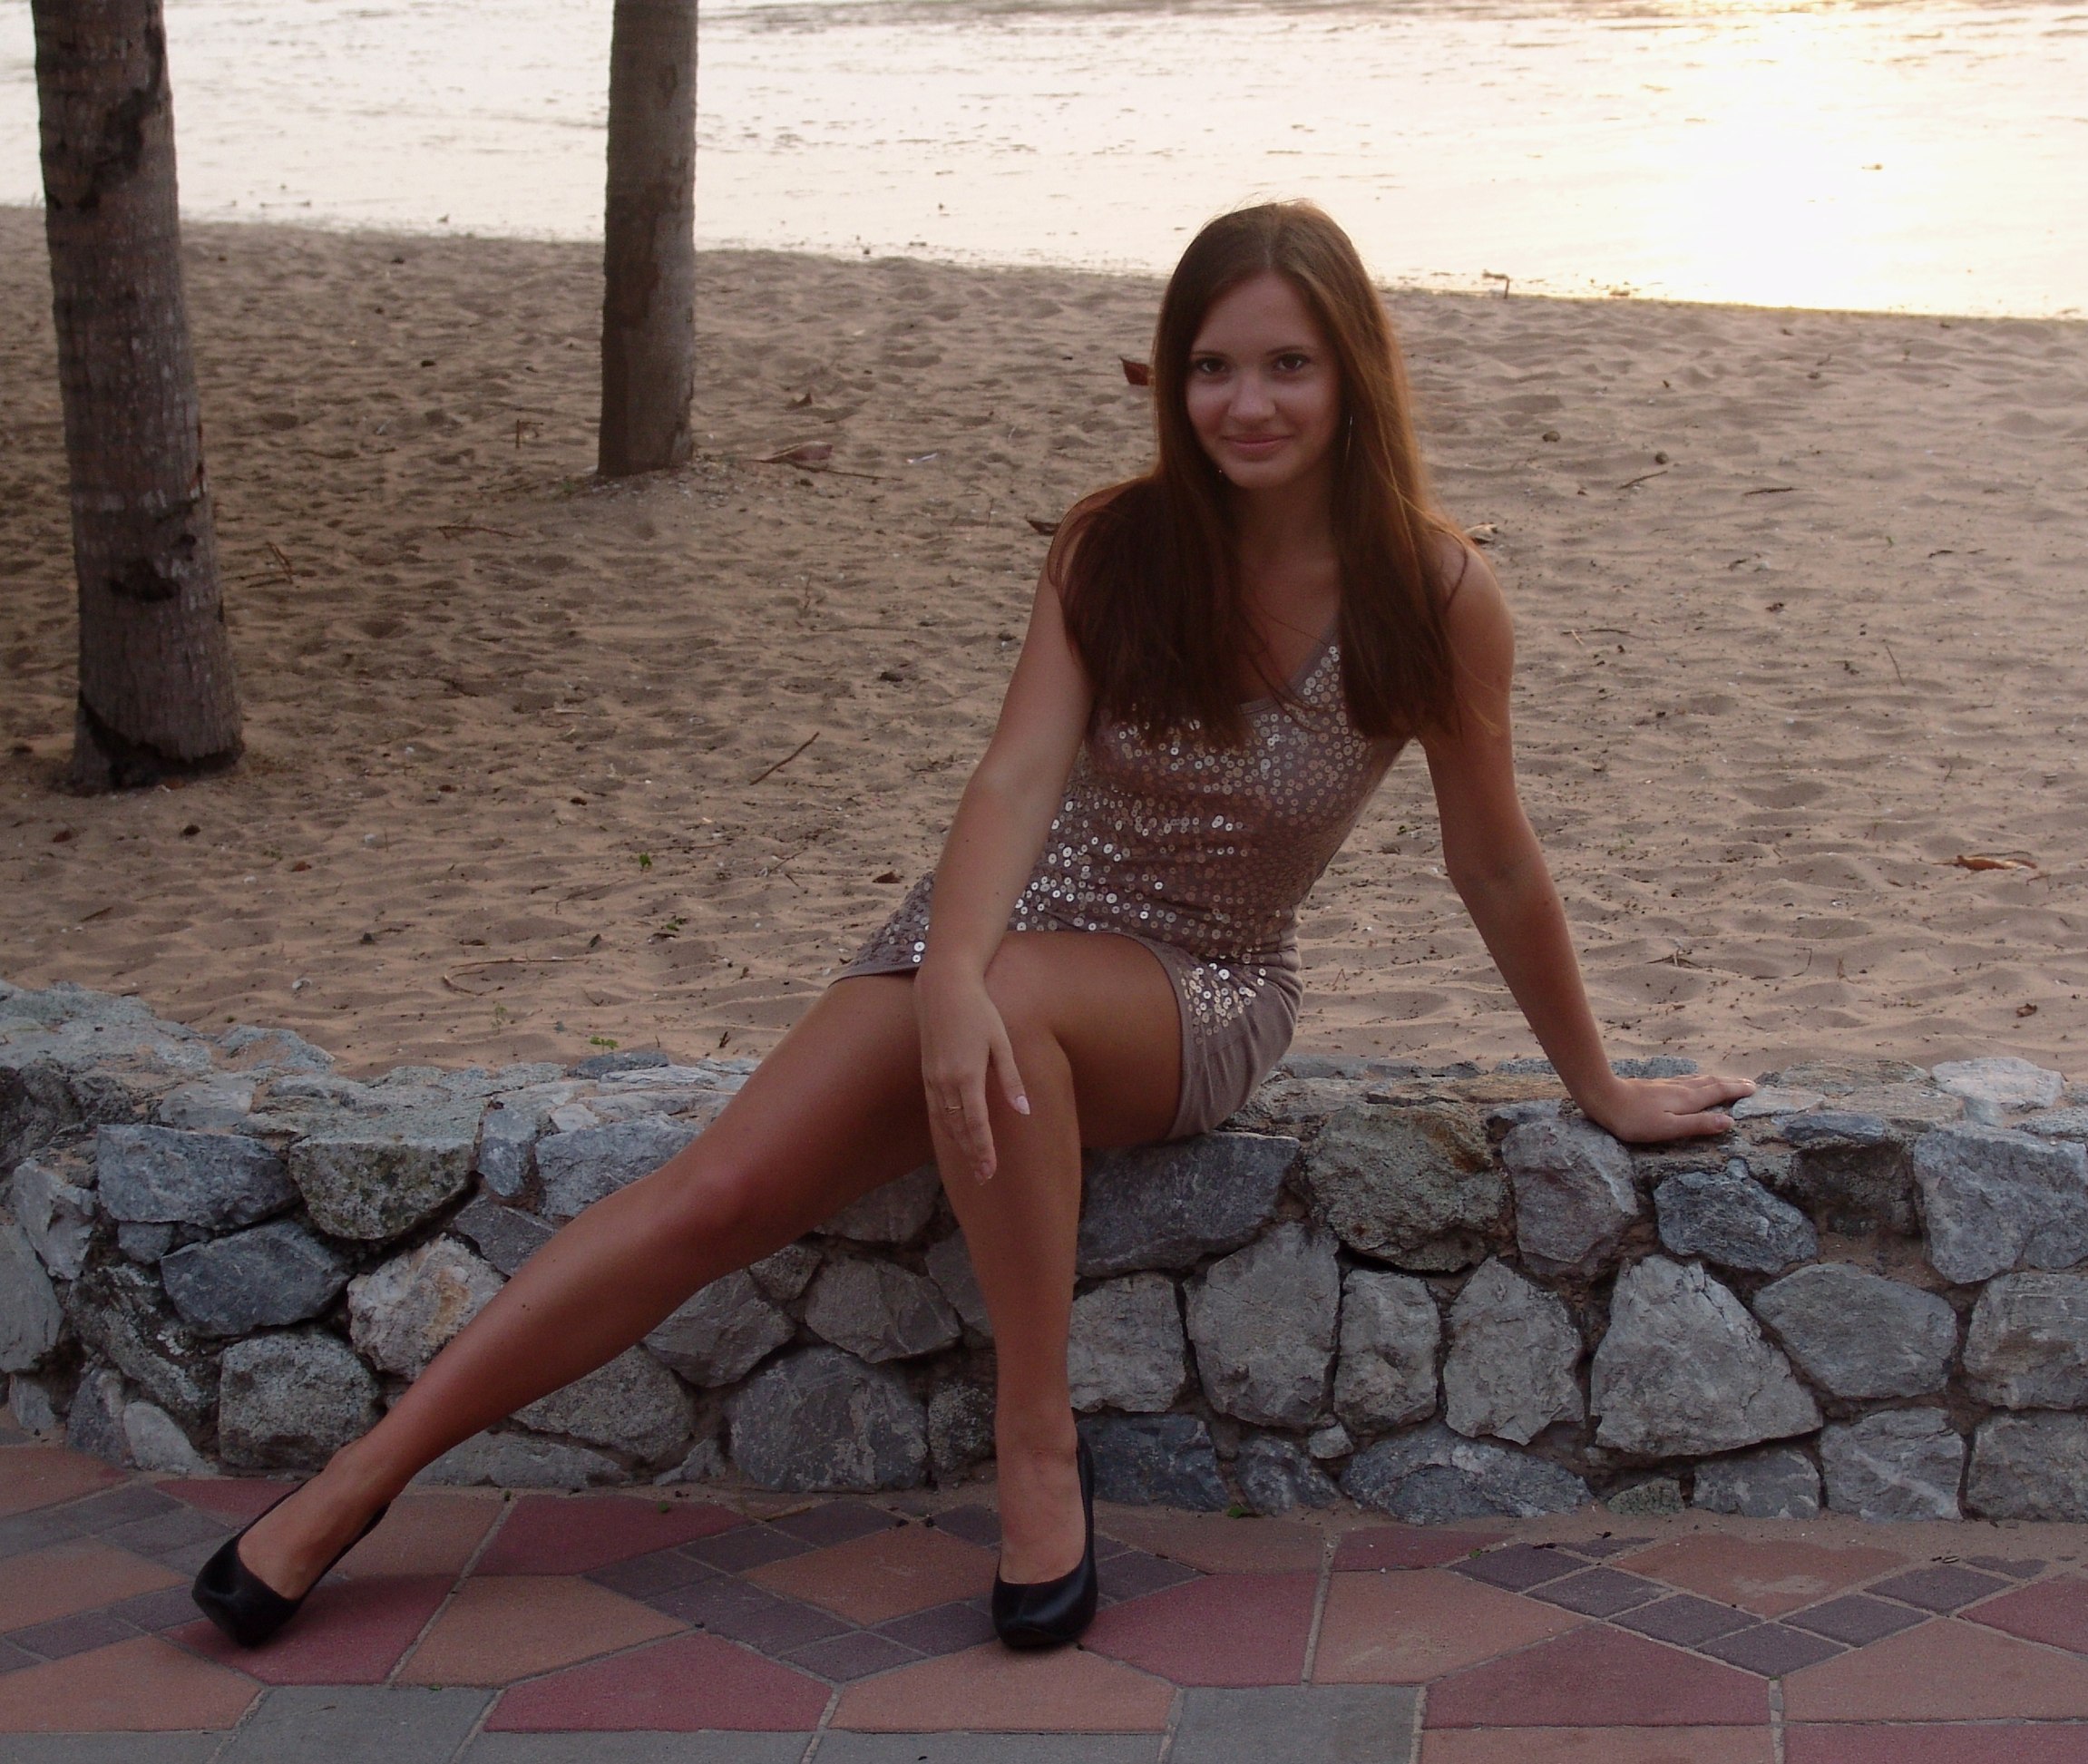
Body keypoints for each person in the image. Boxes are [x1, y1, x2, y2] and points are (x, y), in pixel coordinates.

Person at [191, 200, 1752, 1656]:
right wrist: (946, 972)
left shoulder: (1436, 593)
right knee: (719, 1189)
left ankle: (1035, 1432)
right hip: (999, 939)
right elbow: (1013, 779)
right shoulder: (1113, 548)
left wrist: (1600, 1083)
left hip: (1201, 981)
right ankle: (360, 1479)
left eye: (1288, 364)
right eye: (1213, 367)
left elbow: (1495, 863)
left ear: (1353, 374)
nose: (1247, 402)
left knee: (1007, 999)